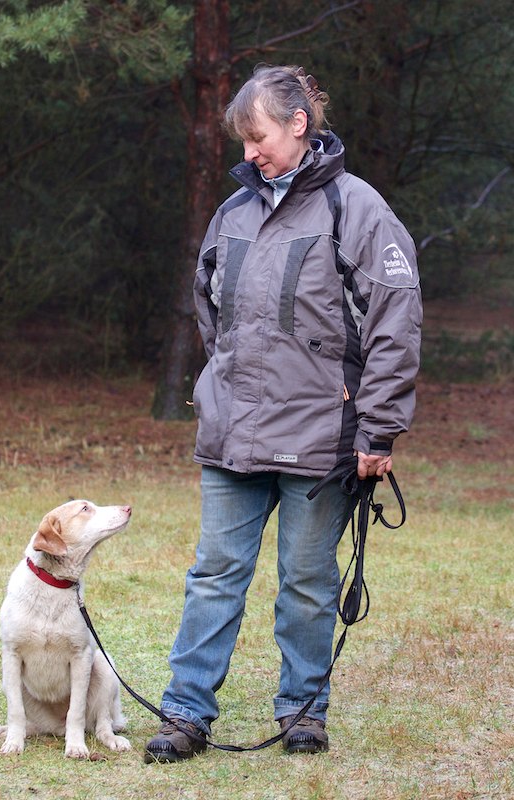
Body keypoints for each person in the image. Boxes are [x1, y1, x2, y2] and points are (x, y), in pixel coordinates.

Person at [144, 64, 422, 763]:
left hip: (321, 441)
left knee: (307, 584)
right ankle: (185, 714)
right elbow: (212, 311)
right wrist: (228, 384)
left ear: (299, 124)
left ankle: (302, 713)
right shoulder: (232, 213)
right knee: (213, 576)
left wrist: (378, 427)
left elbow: (395, 324)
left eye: (258, 137)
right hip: (232, 436)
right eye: (242, 141)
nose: (250, 154)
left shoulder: (357, 209)